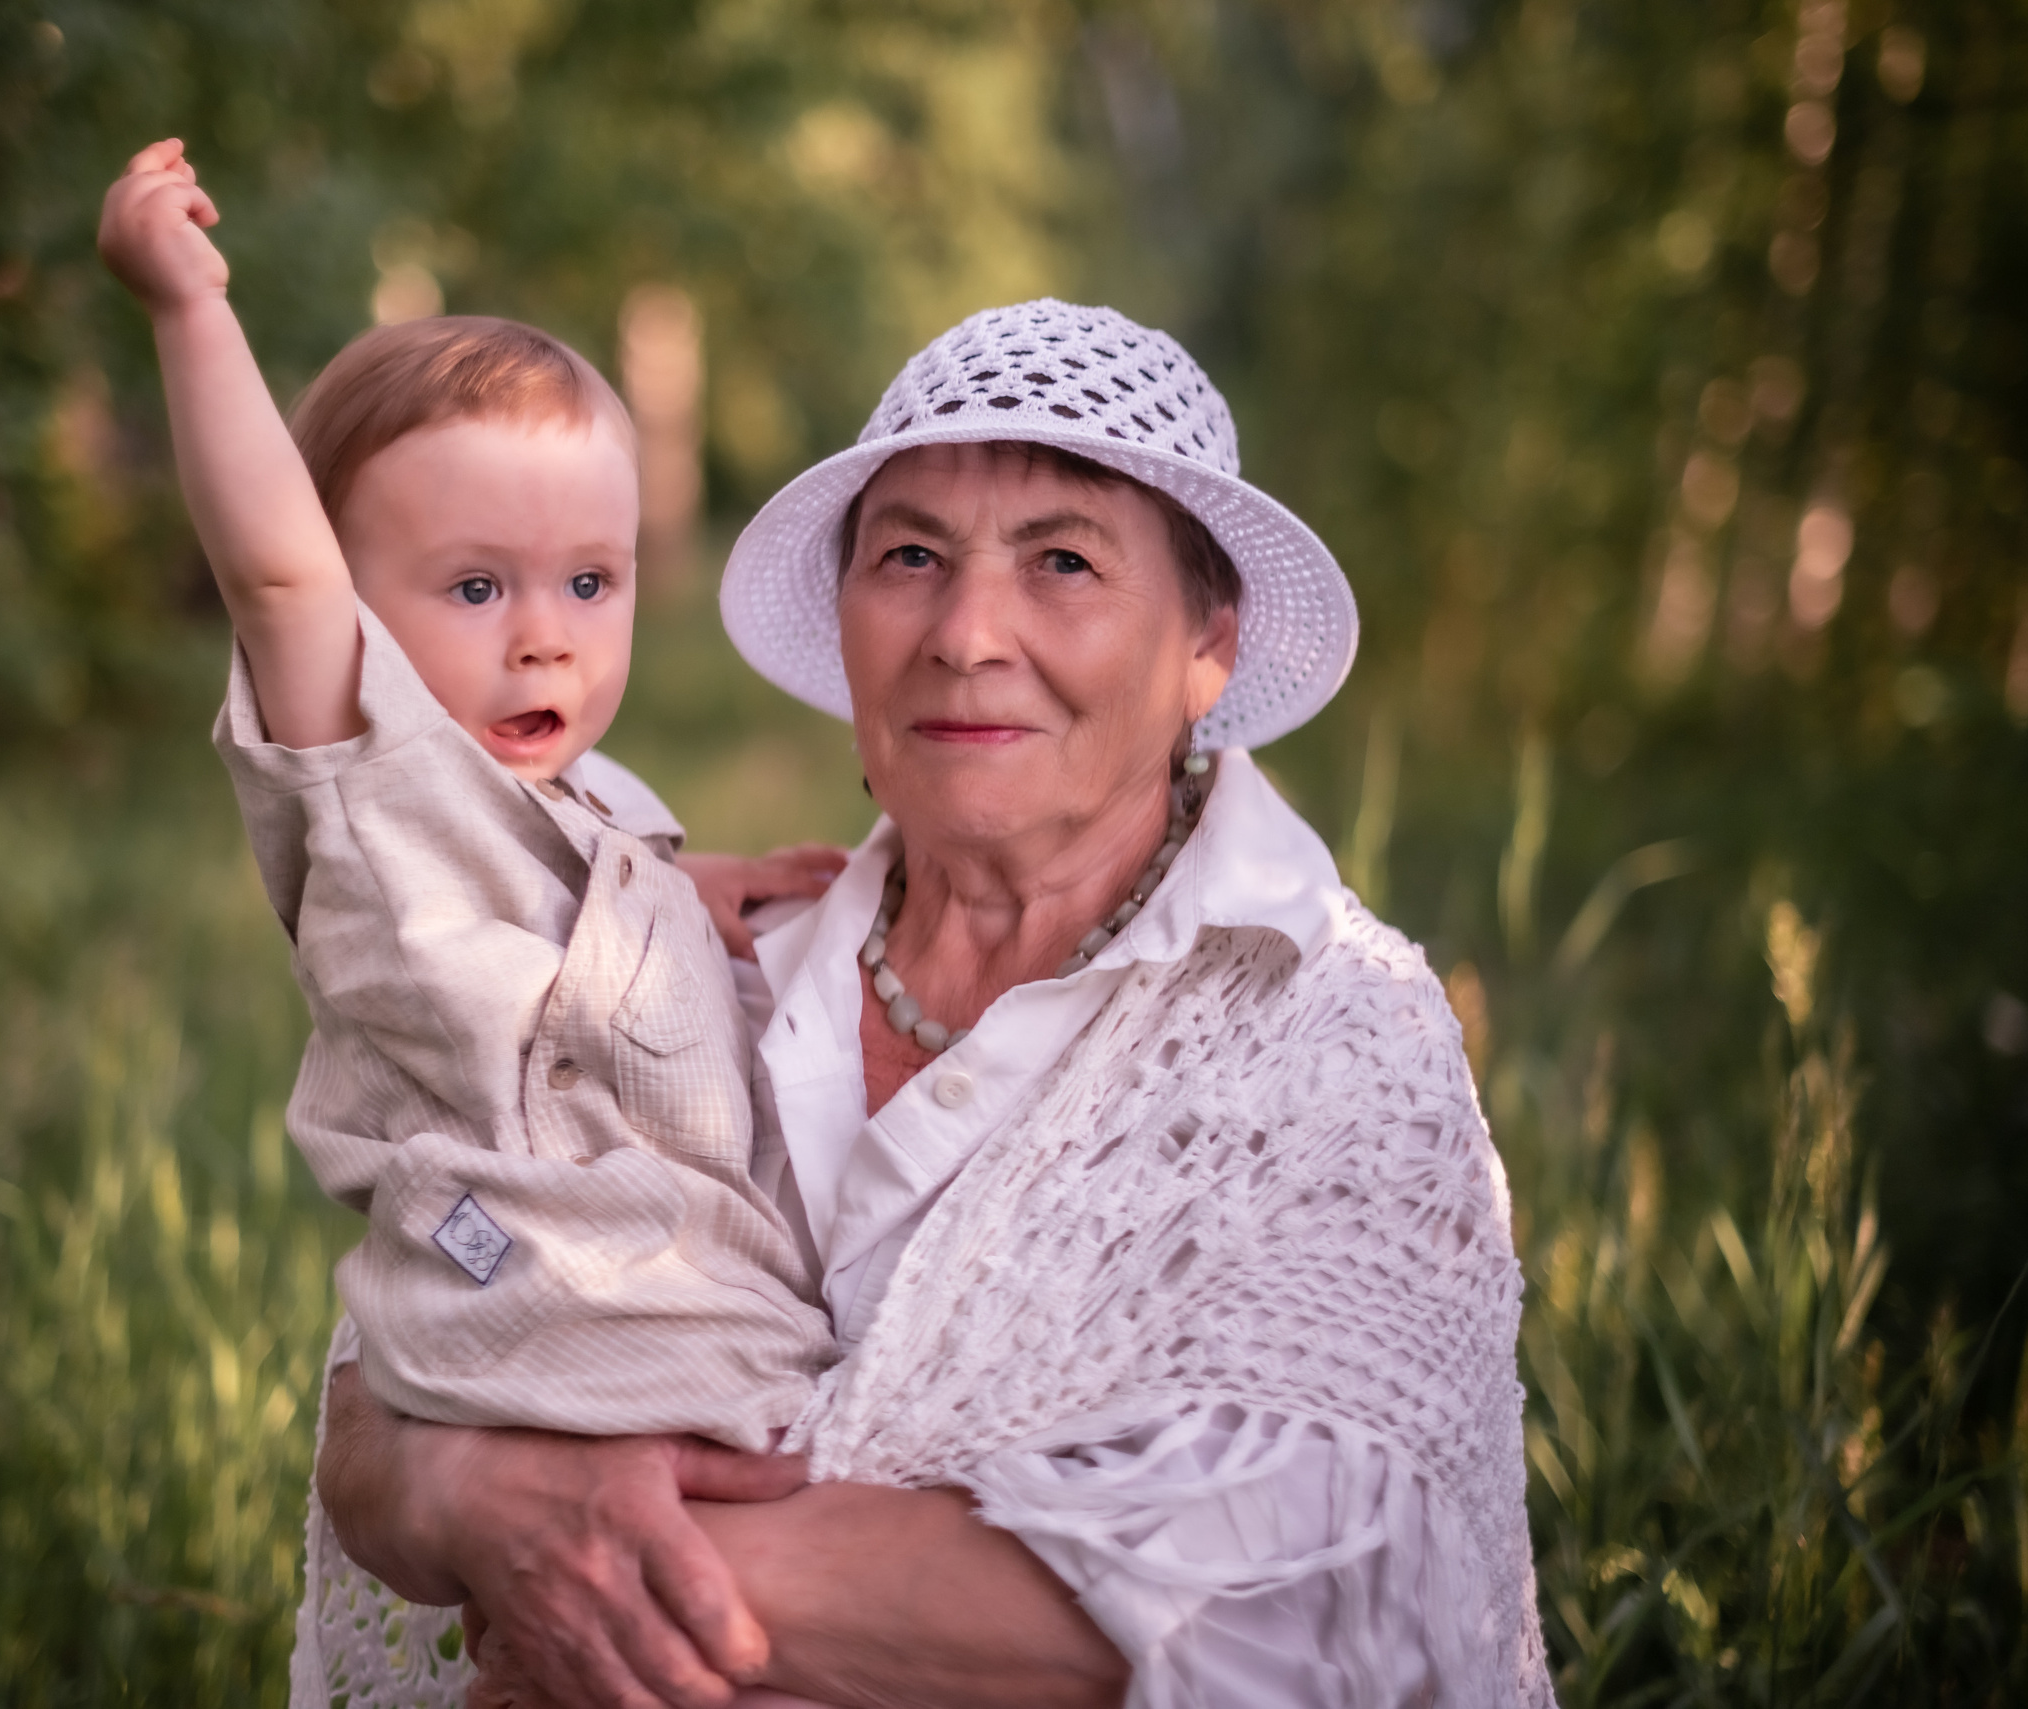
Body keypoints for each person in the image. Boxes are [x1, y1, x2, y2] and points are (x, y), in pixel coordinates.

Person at [295, 299, 1555, 1709]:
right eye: (910, 556)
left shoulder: (1332, 1034)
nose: (966, 632)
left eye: (1064, 559)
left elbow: (1298, 1591)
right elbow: (400, 1348)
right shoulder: (684, 959)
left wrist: (598, 1561)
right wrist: (466, 1484)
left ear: (1211, 642)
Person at [95, 139, 845, 1458]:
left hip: (679, 1308)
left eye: (589, 583)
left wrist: (688, 892)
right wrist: (186, 308)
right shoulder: (373, 766)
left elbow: (568, 915)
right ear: (354, 614)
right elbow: (275, 569)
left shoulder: (583, 792)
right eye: (478, 587)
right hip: (540, 1308)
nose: (545, 638)